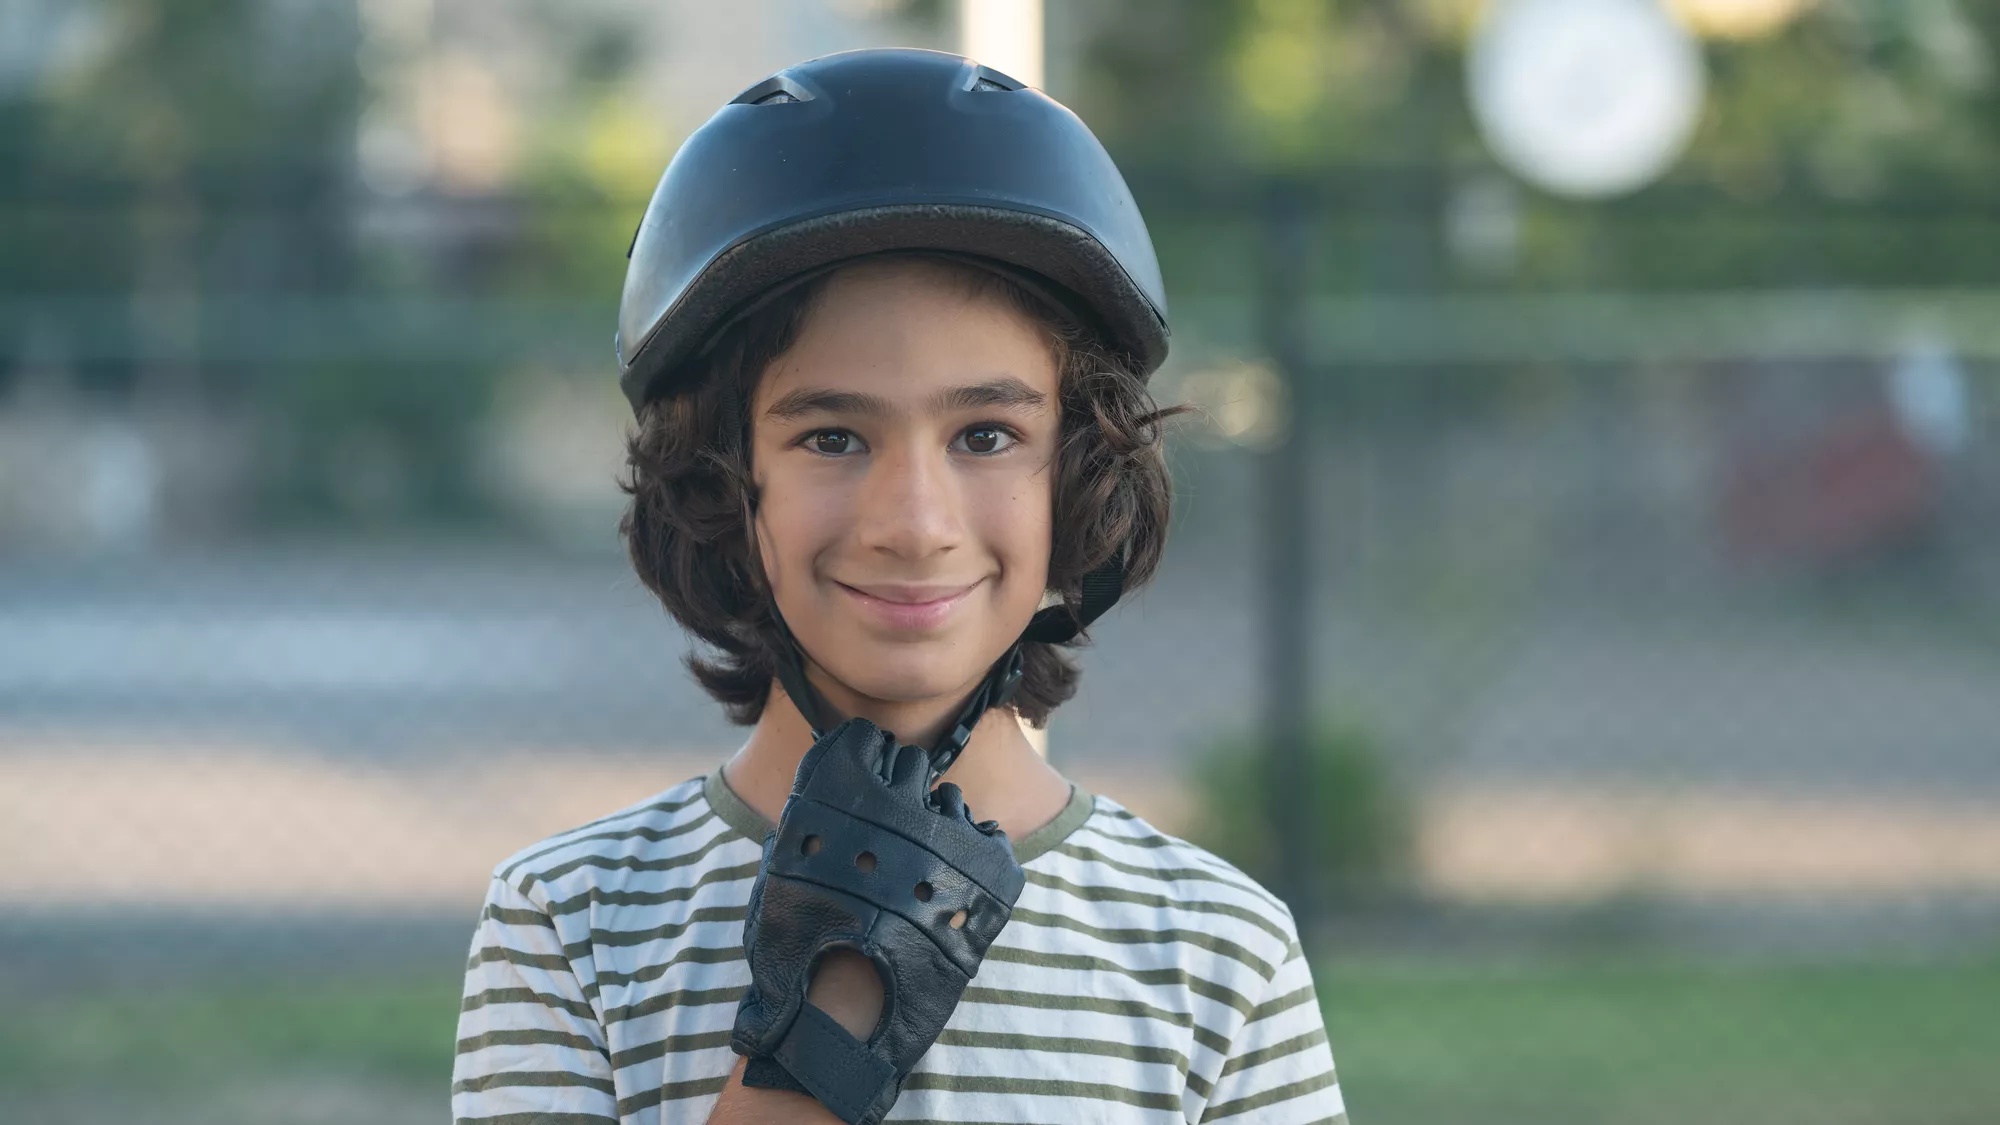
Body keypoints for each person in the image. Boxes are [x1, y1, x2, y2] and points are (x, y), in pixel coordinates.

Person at [451, 48, 1345, 1124]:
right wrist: (819, 1031)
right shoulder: (571, 923)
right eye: (832, 436)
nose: (913, 524)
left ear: (1080, 478)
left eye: (985, 434)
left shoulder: (1214, 951)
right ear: (721, 486)